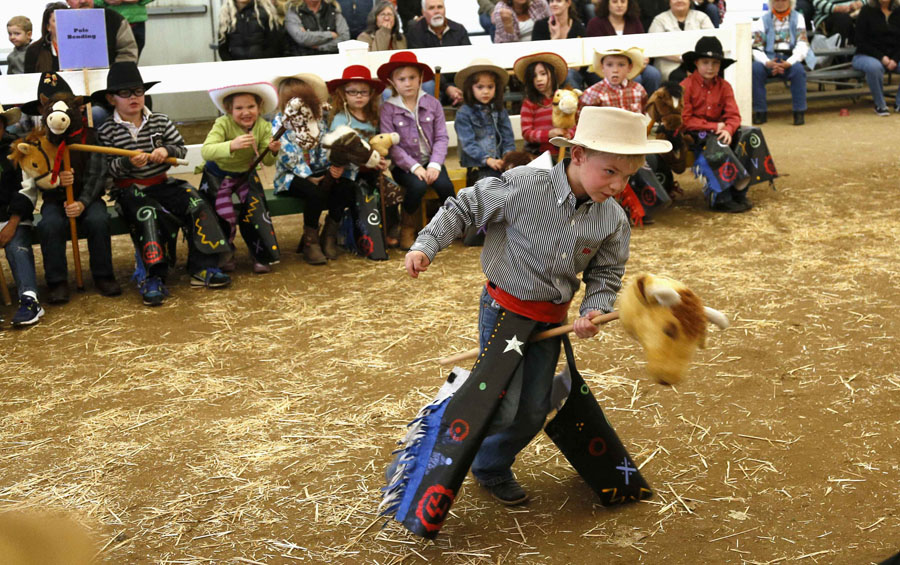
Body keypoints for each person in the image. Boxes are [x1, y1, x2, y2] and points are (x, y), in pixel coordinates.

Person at [403, 106, 671, 505]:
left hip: (550, 319)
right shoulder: (523, 186)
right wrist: (427, 243)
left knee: (532, 411)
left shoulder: (613, 219)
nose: (618, 185)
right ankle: (450, 449)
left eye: (628, 176)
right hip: (503, 312)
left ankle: (490, 464)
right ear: (578, 155)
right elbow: (464, 207)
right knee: (503, 407)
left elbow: (607, 273)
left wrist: (592, 311)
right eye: (610, 171)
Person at [95, 62, 231, 306]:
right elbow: (106, 169)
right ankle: (151, 276)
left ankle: (203, 267)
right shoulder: (106, 130)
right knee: (148, 214)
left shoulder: (160, 121)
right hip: (129, 190)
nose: (133, 98)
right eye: (124, 93)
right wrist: (127, 164)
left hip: (162, 182)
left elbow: (180, 150)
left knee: (196, 201)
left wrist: (165, 150)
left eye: (137, 91)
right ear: (111, 98)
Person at [20, 73, 121, 304]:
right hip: (55, 200)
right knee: (49, 225)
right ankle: (56, 281)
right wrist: (56, 183)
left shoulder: (90, 138)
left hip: (88, 198)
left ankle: (103, 275)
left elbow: (97, 174)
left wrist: (82, 202)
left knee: (98, 220)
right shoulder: (40, 145)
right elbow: (38, 177)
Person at [200, 83, 282, 274]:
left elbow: (267, 161)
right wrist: (231, 145)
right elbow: (206, 151)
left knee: (256, 208)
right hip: (217, 174)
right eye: (239, 108)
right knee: (218, 211)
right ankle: (225, 252)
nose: (246, 112)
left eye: (251, 107)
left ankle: (260, 253)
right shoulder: (223, 124)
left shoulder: (263, 126)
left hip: (246, 173)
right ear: (229, 110)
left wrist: (272, 151)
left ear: (259, 107)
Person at [272, 73, 352, 264]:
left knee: (345, 187)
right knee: (315, 193)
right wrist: (308, 176)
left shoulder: (318, 120)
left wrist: (331, 168)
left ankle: (330, 233)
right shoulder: (281, 122)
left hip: (319, 171)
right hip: (292, 176)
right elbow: (287, 153)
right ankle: (311, 241)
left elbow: (326, 145)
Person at [378, 51, 454, 250]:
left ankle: (451, 224)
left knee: (445, 186)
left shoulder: (432, 104)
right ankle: (407, 227)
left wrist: (435, 164)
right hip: (405, 165)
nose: (408, 83)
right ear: (392, 82)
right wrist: (414, 168)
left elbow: (441, 137)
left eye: (412, 77)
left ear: (420, 78)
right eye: (401, 79)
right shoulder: (388, 109)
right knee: (417, 187)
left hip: (431, 160)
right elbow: (391, 146)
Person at [680, 36, 753, 212]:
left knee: (751, 135)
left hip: (719, 130)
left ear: (720, 66)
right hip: (696, 134)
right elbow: (685, 120)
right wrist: (715, 127)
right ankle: (721, 197)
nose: (711, 67)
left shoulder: (725, 86)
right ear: (696, 63)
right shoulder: (685, 86)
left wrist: (728, 129)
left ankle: (739, 191)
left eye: (715, 63)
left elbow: (734, 115)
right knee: (715, 142)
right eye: (705, 62)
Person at [326, 65, 393, 247]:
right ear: (343, 94)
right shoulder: (340, 120)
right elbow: (336, 151)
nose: (358, 96)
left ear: (371, 94)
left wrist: (381, 160)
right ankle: (330, 233)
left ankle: (382, 230)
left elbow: (379, 143)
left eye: (363, 92)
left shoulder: (373, 117)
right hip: (346, 172)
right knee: (344, 192)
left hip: (370, 170)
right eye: (352, 92)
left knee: (389, 188)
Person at [0, 104, 44, 327]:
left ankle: (30, 300)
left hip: (13, 218)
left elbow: (27, 189)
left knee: (17, 245)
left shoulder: (17, 149)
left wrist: (12, 223)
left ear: (3, 125)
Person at [453, 59, 516, 187]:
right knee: (490, 186)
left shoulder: (500, 110)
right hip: (478, 164)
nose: (486, 91)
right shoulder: (464, 113)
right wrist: (488, 160)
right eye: (480, 87)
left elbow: (507, 137)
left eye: (490, 87)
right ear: (470, 88)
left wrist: (508, 157)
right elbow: (468, 144)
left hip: (500, 161)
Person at [751, 0, 810, 125]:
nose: (780, 3)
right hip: (769, 58)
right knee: (755, 69)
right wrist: (767, 62)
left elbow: (802, 44)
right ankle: (760, 112)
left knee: (799, 71)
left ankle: (799, 112)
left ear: (790, 2)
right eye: (776, 0)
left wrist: (790, 62)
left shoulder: (798, 18)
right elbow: (756, 47)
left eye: (784, 0)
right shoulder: (762, 20)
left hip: (789, 57)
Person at [585, 0, 662, 94]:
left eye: (623, 2)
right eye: (614, 2)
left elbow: (642, 46)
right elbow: (595, 52)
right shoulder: (595, 23)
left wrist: (643, 57)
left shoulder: (634, 21)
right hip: (607, 66)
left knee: (653, 74)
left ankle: (649, 106)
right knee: (634, 78)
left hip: (633, 63)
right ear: (607, 4)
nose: (619, 5)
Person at [405, 0, 470, 106]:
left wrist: (458, 87)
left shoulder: (459, 29)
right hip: (432, 81)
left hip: (457, 80)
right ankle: (431, 121)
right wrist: (447, 87)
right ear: (423, 12)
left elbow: (468, 60)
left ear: (445, 10)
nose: (436, 11)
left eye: (440, 7)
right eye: (431, 8)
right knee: (427, 85)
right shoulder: (415, 32)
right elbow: (422, 67)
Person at [514, 52, 573, 156]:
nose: (538, 79)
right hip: (538, 153)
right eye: (534, 76)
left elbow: (573, 123)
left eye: (543, 74)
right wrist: (549, 134)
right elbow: (527, 133)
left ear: (553, 74)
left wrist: (569, 134)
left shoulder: (565, 99)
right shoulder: (529, 103)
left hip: (563, 151)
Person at [851, 0, 900, 115]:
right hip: (866, 55)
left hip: (893, 57)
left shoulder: (898, 12)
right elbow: (859, 41)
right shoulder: (867, 11)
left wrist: (895, 59)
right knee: (875, 67)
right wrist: (881, 57)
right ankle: (880, 105)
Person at [648, 0, 713, 81]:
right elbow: (655, 46)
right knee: (679, 78)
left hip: (698, 62)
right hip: (669, 64)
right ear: (669, 1)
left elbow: (711, 43)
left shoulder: (702, 18)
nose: (679, 0)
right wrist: (681, 58)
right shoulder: (659, 20)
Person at [64, 0, 138, 64]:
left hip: (110, 75)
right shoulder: (59, 22)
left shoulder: (114, 19)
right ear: (67, 1)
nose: (83, 1)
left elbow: (128, 52)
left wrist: (114, 72)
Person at [533, 0, 587, 88]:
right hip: (546, 71)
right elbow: (538, 57)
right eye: (551, 1)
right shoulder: (540, 26)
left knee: (569, 75)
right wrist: (555, 38)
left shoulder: (578, 27)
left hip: (573, 71)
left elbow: (579, 64)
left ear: (568, 3)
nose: (554, 4)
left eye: (558, 1)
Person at [579, 47, 647, 115]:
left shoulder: (638, 90)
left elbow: (643, 115)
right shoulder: (592, 94)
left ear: (629, 67)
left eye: (621, 65)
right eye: (609, 65)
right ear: (602, 67)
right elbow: (583, 120)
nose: (615, 70)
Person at [217, 0, 284, 60]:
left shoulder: (266, 11)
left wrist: (262, 62)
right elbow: (223, 48)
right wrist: (233, 65)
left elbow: (274, 44)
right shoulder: (226, 14)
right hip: (236, 67)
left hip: (262, 65)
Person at [285, 0, 350, 55]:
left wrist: (321, 47)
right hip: (303, 58)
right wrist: (331, 35)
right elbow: (302, 38)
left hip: (331, 57)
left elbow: (345, 37)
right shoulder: (293, 11)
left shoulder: (332, 9)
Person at [23, 3, 68, 74]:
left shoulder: (81, 47)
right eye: (57, 20)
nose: (63, 23)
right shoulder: (34, 50)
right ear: (48, 27)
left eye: (66, 19)